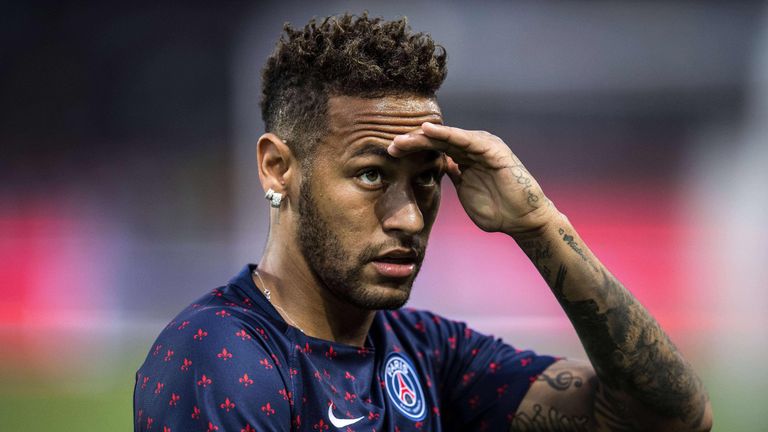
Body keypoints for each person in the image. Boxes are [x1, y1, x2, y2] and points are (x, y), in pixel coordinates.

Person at [134, 13, 712, 432]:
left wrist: (537, 224)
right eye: (370, 176)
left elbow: (666, 417)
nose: (409, 217)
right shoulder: (222, 359)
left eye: (427, 178)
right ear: (278, 168)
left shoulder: (429, 353)